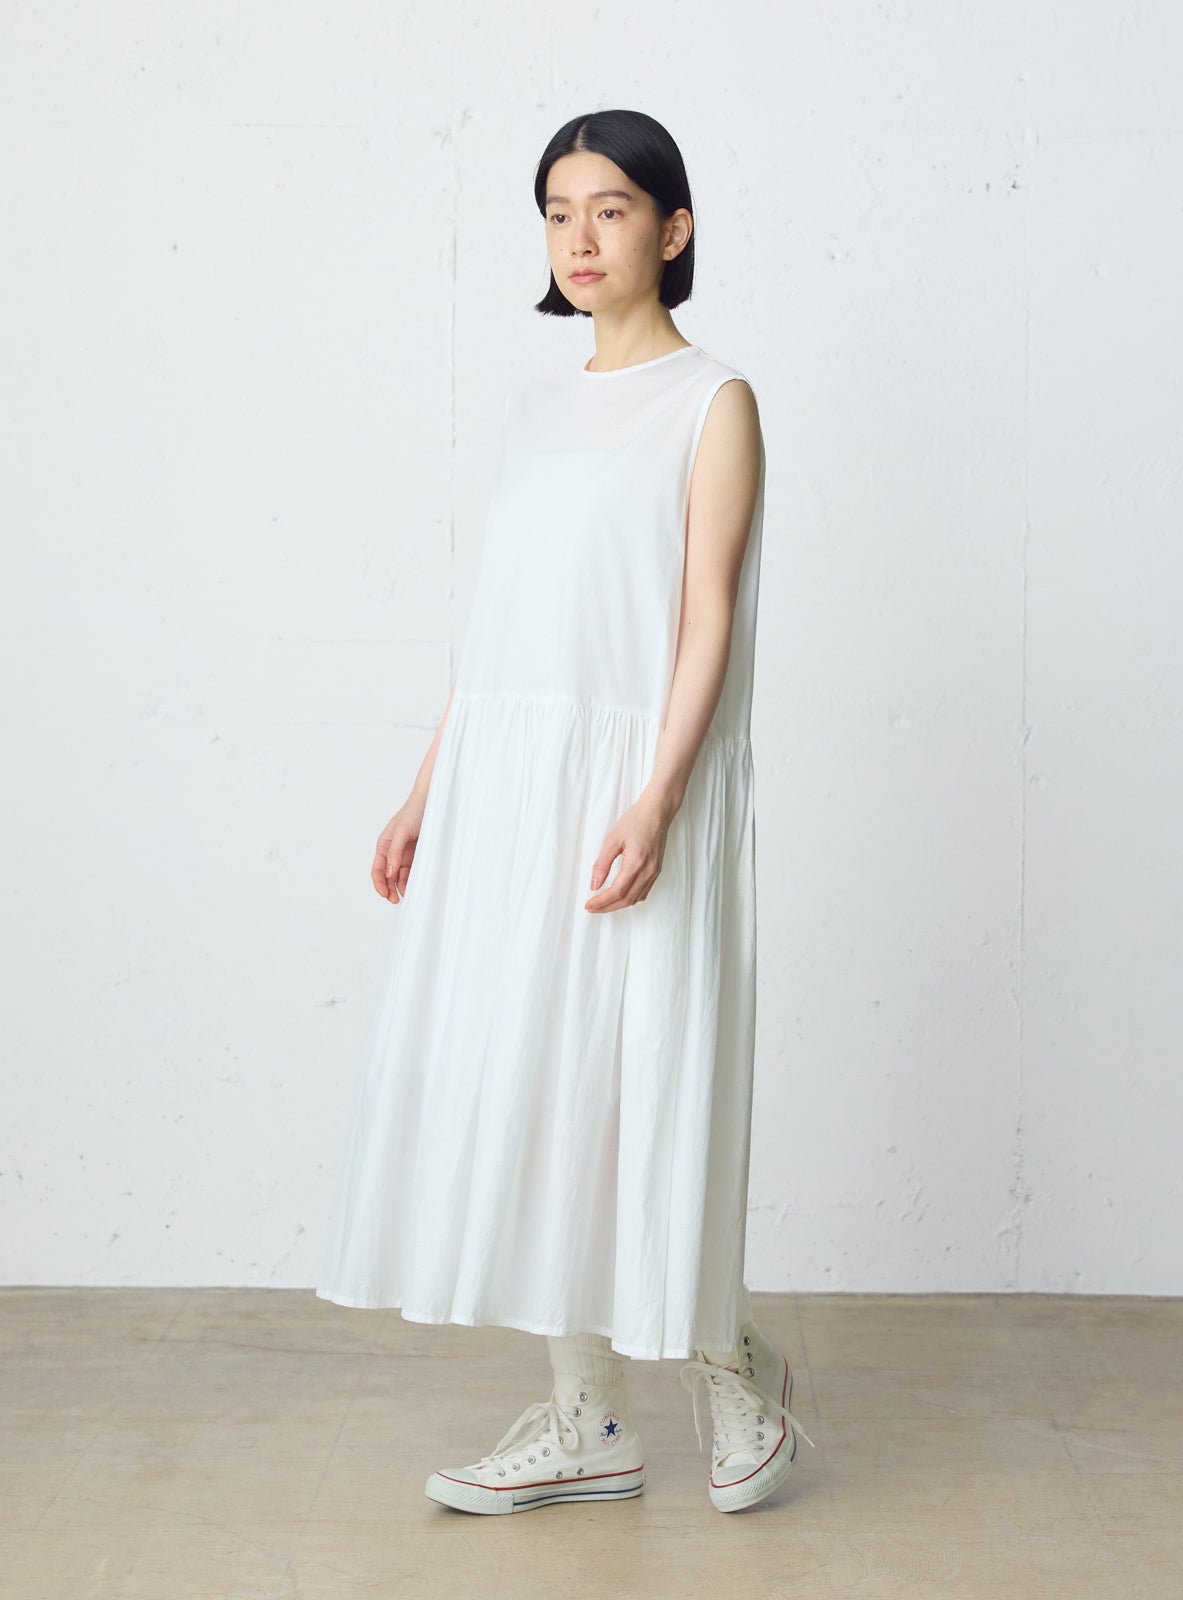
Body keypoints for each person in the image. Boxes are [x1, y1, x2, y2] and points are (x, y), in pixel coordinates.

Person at [315, 107, 816, 1515]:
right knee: (540, 1087)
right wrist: (429, 789)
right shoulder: (536, 411)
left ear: (675, 226)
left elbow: (707, 616)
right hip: (509, 791)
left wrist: (659, 797)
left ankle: (732, 1371)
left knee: (648, 1081)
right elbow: (505, 628)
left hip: (639, 783)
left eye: (610, 208)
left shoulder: (715, 402)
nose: (580, 238)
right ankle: (588, 1419)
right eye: (557, 212)